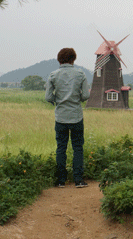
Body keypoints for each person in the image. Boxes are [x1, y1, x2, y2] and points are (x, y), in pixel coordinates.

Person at [45, 48, 90, 188]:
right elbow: (86, 96)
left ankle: (61, 180)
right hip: (76, 115)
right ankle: (78, 180)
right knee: (77, 148)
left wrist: (57, 100)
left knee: (61, 148)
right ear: (73, 59)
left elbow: (48, 97)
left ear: (59, 59)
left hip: (60, 117)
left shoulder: (53, 75)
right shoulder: (80, 74)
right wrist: (78, 99)